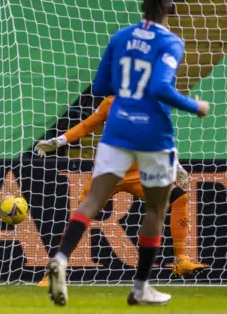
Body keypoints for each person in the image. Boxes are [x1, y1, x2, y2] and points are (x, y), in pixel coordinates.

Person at [45, 0, 210, 306]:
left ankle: (61, 258)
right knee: (156, 207)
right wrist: (195, 106)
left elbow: (101, 85)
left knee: (92, 201)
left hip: (118, 127)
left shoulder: (120, 37)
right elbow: (162, 87)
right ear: (169, 9)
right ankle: (141, 286)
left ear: (141, 8)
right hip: (152, 133)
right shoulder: (171, 42)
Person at [35, 95, 205, 288]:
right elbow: (86, 126)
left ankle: (181, 260)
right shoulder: (110, 102)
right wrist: (59, 141)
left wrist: (176, 166)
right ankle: (53, 272)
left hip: (138, 173)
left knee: (179, 198)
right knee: (80, 218)